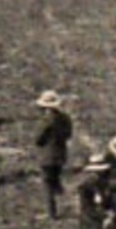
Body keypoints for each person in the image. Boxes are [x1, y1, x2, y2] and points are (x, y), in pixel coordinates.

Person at [34, 91, 73, 220]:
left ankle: (51, 213)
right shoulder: (65, 118)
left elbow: (38, 139)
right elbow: (68, 134)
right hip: (61, 154)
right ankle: (60, 194)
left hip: (47, 156)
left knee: (47, 183)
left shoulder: (46, 121)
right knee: (55, 177)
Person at [74, 154, 113, 229]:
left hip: (101, 223)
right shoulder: (85, 187)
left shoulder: (101, 184)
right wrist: (104, 216)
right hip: (91, 224)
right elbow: (87, 209)